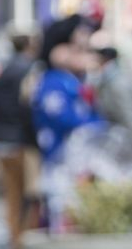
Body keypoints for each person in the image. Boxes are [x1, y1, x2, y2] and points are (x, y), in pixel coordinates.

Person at [32, 14, 101, 229]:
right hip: (62, 166)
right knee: (66, 218)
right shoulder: (54, 82)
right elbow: (69, 120)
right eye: (76, 49)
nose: (84, 55)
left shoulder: (72, 81)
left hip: (77, 166)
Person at [0, 31, 39, 249]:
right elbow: (28, 109)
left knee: (11, 199)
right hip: (22, 143)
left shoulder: (2, 70)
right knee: (28, 198)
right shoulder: (28, 70)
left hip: (2, 142)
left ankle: (13, 247)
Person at [90, 44, 132, 162]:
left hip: (127, 148)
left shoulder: (117, 82)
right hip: (117, 144)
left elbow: (131, 118)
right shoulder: (107, 80)